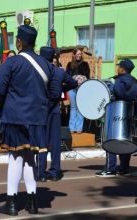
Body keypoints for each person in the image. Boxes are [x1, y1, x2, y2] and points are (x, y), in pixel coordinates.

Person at [0, 25, 60, 216]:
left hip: (15, 117)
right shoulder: (47, 64)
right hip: (38, 119)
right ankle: (32, 202)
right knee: (31, 158)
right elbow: (54, 93)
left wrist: (2, 102)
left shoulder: (12, 62)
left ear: (20, 42)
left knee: (15, 158)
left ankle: (11, 202)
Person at [37, 47, 78, 182]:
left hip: (42, 109)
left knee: (41, 140)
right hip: (55, 109)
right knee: (55, 141)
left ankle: (41, 172)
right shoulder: (59, 72)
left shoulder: (39, 71)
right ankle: (55, 171)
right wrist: (61, 88)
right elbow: (73, 82)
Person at [95, 59, 137, 177]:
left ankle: (110, 168)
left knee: (111, 140)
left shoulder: (119, 81)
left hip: (117, 112)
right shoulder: (135, 81)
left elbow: (119, 94)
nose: (117, 67)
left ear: (123, 69)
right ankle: (124, 168)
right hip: (129, 114)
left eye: (119, 66)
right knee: (125, 141)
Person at [66, 48, 90, 133]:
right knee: (73, 108)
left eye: (80, 54)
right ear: (74, 54)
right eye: (78, 54)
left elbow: (87, 76)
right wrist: (74, 79)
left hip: (82, 89)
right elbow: (67, 76)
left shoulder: (85, 64)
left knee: (80, 108)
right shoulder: (69, 64)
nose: (79, 55)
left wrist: (81, 79)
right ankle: (72, 128)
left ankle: (79, 128)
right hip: (72, 89)